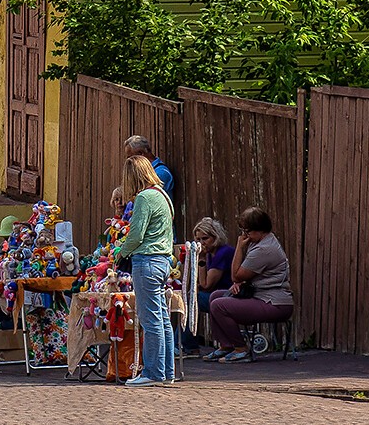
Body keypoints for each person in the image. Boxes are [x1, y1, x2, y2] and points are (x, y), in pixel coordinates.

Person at [113, 155, 176, 387]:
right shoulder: (162, 195)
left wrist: (120, 253)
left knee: (150, 320)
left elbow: (136, 234)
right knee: (162, 319)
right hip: (162, 261)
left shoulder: (144, 197)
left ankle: (153, 372)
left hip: (147, 261)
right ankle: (167, 371)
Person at [206, 207, 293, 363]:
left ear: (260, 230)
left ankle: (240, 349)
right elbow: (246, 275)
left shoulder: (264, 249)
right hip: (261, 295)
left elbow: (235, 274)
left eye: (247, 231)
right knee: (215, 296)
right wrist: (239, 283)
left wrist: (239, 247)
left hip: (275, 303)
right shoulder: (260, 242)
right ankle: (226, 345)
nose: (244, 235)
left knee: (219, 305)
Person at [185, 217, 235, 354]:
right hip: (219, 294)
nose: (202, 243)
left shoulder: (222, 253)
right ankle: (188, 344)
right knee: (191, 297)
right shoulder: (211, 254)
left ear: (216, 237)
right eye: (198, 240)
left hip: (227, 295)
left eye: (205, 239)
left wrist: (200, 260)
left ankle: (187, 345)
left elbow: (206, 285)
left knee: (192, 300)